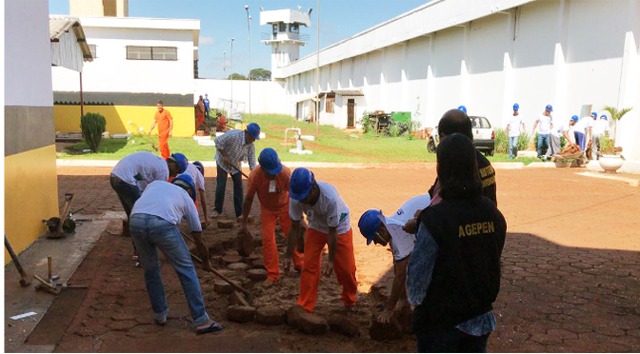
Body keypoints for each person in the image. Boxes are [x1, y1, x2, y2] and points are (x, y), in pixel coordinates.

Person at [407, 133, 507, 353]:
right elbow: (492, 259)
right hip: (480, 321)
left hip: (441, 326)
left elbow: (416, 284)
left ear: (442, 169)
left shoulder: (434, 219)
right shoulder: (493, 213)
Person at [129, 175, 223, 335]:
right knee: (186, 269)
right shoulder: (186, 197)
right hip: (162, 225)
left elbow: (150, 206)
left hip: (135, 220)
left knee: (151, 270)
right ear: (188, 189)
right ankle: (201, 319)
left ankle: (160, 315)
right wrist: (206, 262)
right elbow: (199, 238)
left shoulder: (156, 184)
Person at [284, 167, 357, 313]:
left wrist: (330, 261)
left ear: (313, 188)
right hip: (316, 226)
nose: (302, 200)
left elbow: (332, 232)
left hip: (339, 227)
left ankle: (350, 299)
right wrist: (288, 254)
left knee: (346, 269)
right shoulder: (296, 197)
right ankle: (305, 305)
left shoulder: (330, 198)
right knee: (309, 265)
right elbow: (294, 227)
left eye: (304, 196)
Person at [357, 193, 431, 323]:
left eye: (374, 238)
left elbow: (401, 275)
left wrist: (389, 309)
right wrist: (403, 299)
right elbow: (397, 265)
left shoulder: (398, 232)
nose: (375, 243)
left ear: (381, 230)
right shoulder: (392, 226)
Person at [240, 148, 304, 287]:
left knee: (292, 234)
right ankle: (273, 273)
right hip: (267, 209)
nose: (273, 176)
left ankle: (300, 263)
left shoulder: (285, 173)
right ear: (262, 168)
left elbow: (296, 197)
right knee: (268, 239)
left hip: (286, 206)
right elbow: (248, 200)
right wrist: (244, 223)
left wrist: (299, 218)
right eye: (270, 173)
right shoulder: (255, 176)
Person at [110, 151, 188, 264]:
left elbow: (144, 189)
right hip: (125, 180)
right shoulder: (164, 171)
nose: (175, 176)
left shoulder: (158, 163)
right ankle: (144, 256)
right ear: (173, 164)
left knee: (133, 216)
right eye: (177, 171)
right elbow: (156, 197)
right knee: (141, 218)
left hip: (116, 177)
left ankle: (138, 252)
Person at [212, 123, 261, 219]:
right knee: (221, 186)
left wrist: (254, 176)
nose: (253, 140)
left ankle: (239, 213)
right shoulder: (233, 136)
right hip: (222, 162)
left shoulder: (250, 145)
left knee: (239, 187)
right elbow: (217, 141)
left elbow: (252, 161)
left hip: (236, 165)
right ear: (247, 133)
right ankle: (217, 209)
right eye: (252, 137)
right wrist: (225, 155)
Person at [180, 159, 209, 228]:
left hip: (175, 182)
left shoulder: (187, 165)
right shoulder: (199, 174)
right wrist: (206, 218)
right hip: (187, 184)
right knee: (192, 205)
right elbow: (203, 199)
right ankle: (195, 227)